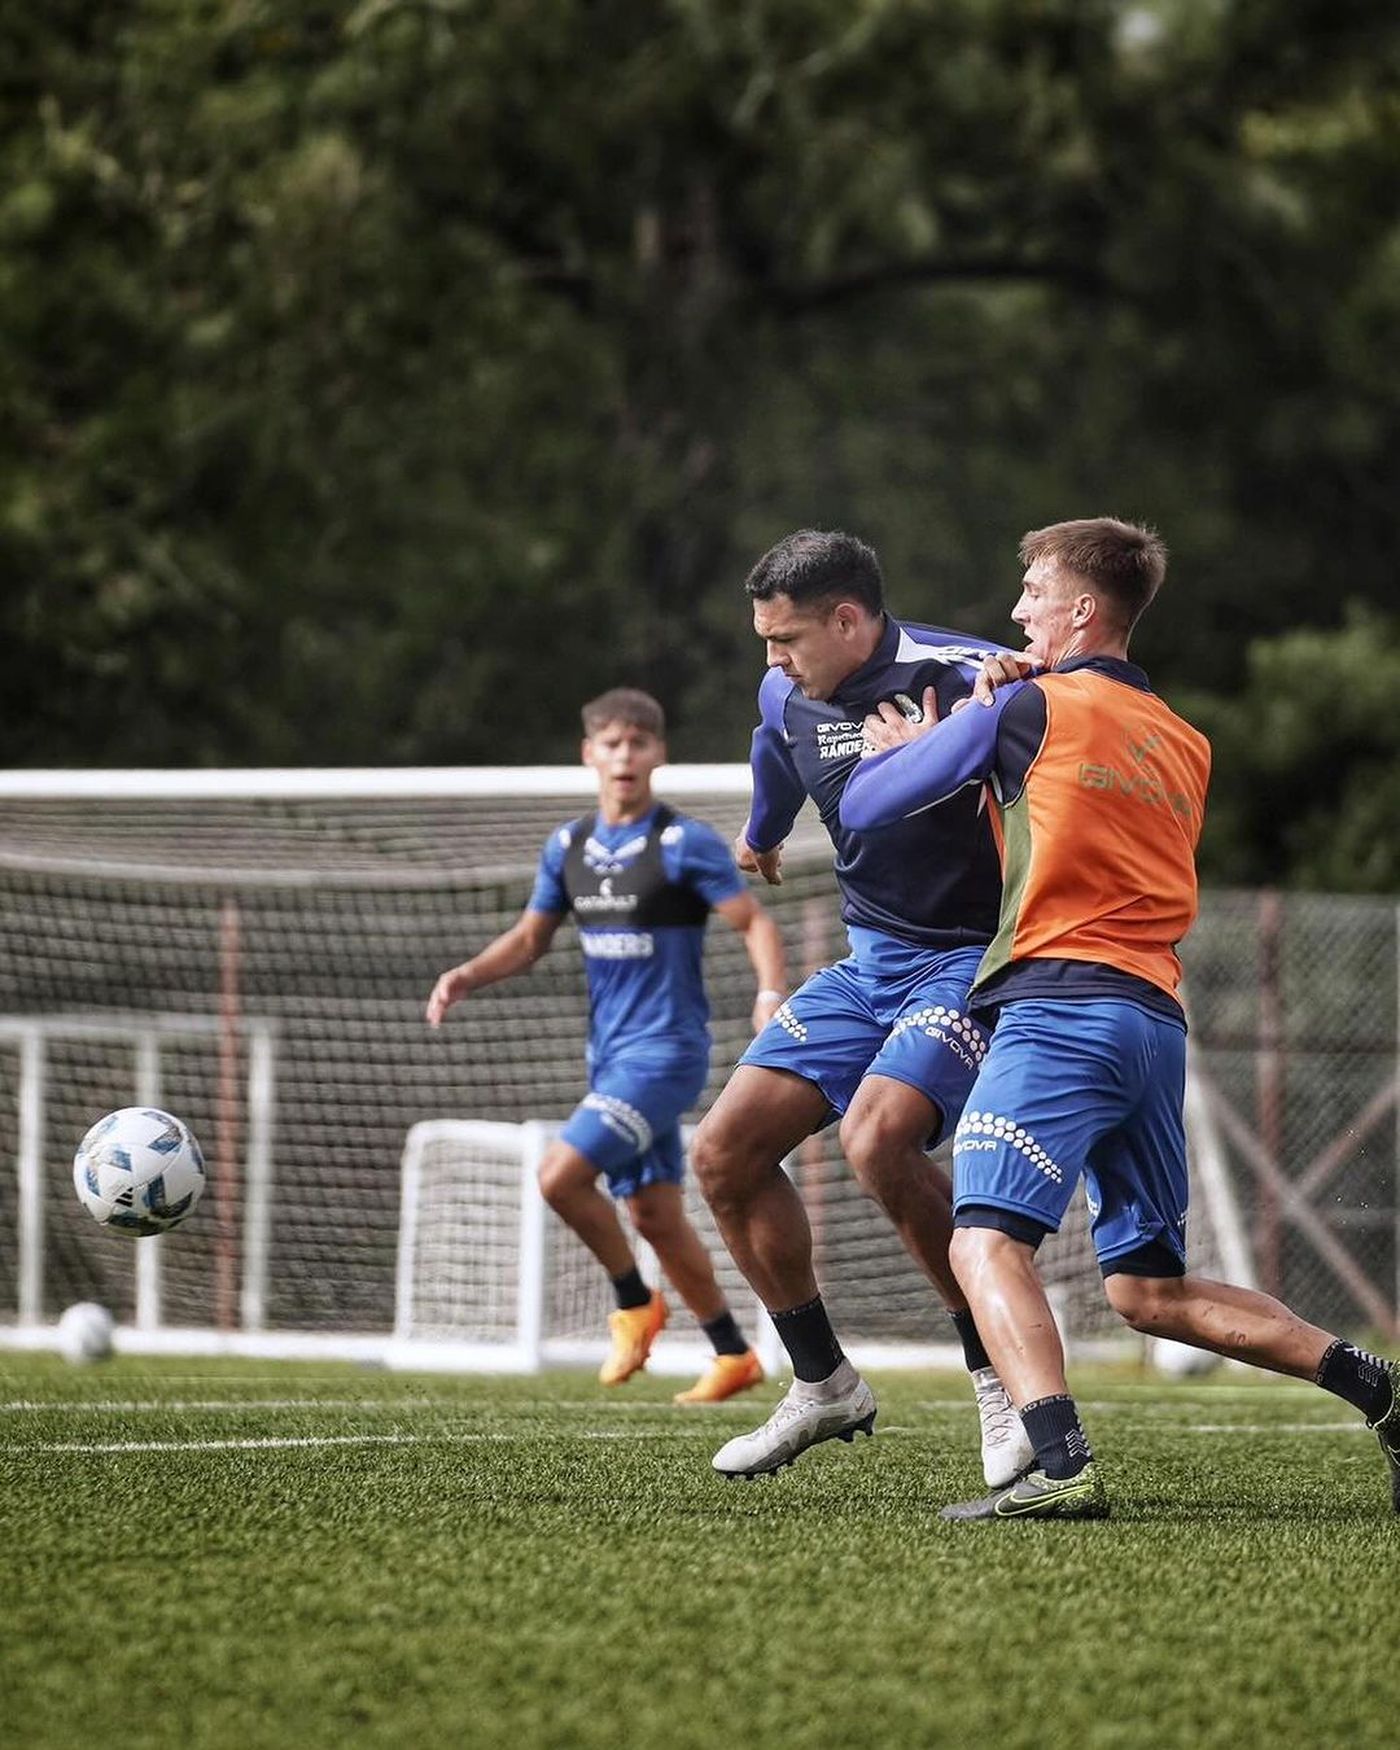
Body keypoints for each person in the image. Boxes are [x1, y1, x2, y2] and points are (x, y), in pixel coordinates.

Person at [841, 515, 1400, 1520]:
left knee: (980, 1244)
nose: (1015, 611)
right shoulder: (1183, 740)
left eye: (1031, 593)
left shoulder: (1028, 709)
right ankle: (1378, 1389)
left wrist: (926, 736)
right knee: (1148, 1292)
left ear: (1081, 608)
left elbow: (874, 804)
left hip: (1061, 1006)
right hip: (1151, 1022)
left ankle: (1061, 1469)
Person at [691, 529, 1035, 1484]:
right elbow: (773, 746)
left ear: (849, 620)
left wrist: (1029, 676)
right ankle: (824, 1383)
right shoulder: (785, 690)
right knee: (723, 1153)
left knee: (878, 1140)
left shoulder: (969, 675)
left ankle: (999, 1378)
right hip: (869, 963)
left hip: (967, 963)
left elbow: (1079, 705)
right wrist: (760, 835)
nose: (772, 661)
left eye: (786, 639)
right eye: (764, 640)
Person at [427, 687, 787, 1404]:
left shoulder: (682, 844)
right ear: (589, 753)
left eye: (640, 743)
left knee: (560, 1176)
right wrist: (467, 975)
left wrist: (770, 993)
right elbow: (531, 940)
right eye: (612, 744)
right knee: (653, 1212)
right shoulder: (568, 847)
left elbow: (754, 922)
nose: (626, 756)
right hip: (610, 1055)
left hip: (667, 1053)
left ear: (659, 754)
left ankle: (633, 1301)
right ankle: (731, 1353)